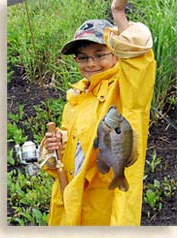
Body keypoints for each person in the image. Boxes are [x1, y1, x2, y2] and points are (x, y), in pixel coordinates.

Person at [40, 0, 156, 226]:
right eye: (83, 57)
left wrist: (118, 14)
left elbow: (138, 61)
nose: (91, 63)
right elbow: (71, 148)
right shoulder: (77, 96)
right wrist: (53, 146)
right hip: (71, 206)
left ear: (116, 53)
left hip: (104, 208)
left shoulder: (126, 90)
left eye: (100, 54)